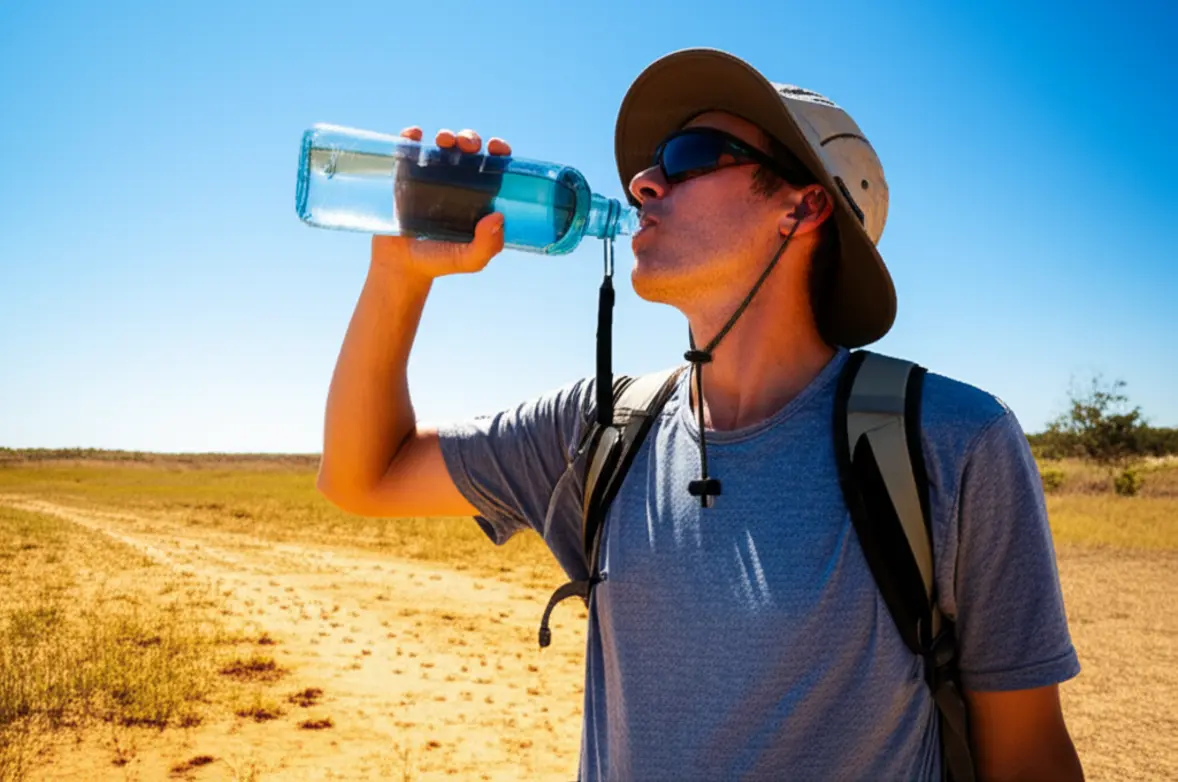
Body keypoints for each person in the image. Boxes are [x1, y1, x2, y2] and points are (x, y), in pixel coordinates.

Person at [316, 48, 1084, 782]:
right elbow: (364, 476)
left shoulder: (951, 443)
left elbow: (1027, 760)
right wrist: (398, 273)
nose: (645, 182)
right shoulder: (600, 430)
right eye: (651, 166)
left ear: (804, 204)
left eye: (687, 156)